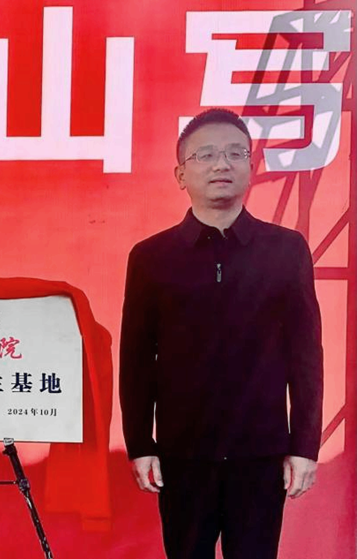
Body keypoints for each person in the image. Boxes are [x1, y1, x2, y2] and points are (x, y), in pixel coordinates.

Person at [119, 108, 323, 559]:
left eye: (235, 153)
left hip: (261, 453)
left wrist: (305, 446)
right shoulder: (152, 257)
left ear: (251, 167)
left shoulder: (286, 250)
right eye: (205, 155)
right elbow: (136, 361)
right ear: (181, 174)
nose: (221, 164)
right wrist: (140, 444)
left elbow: (306, 355)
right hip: (182, 454)